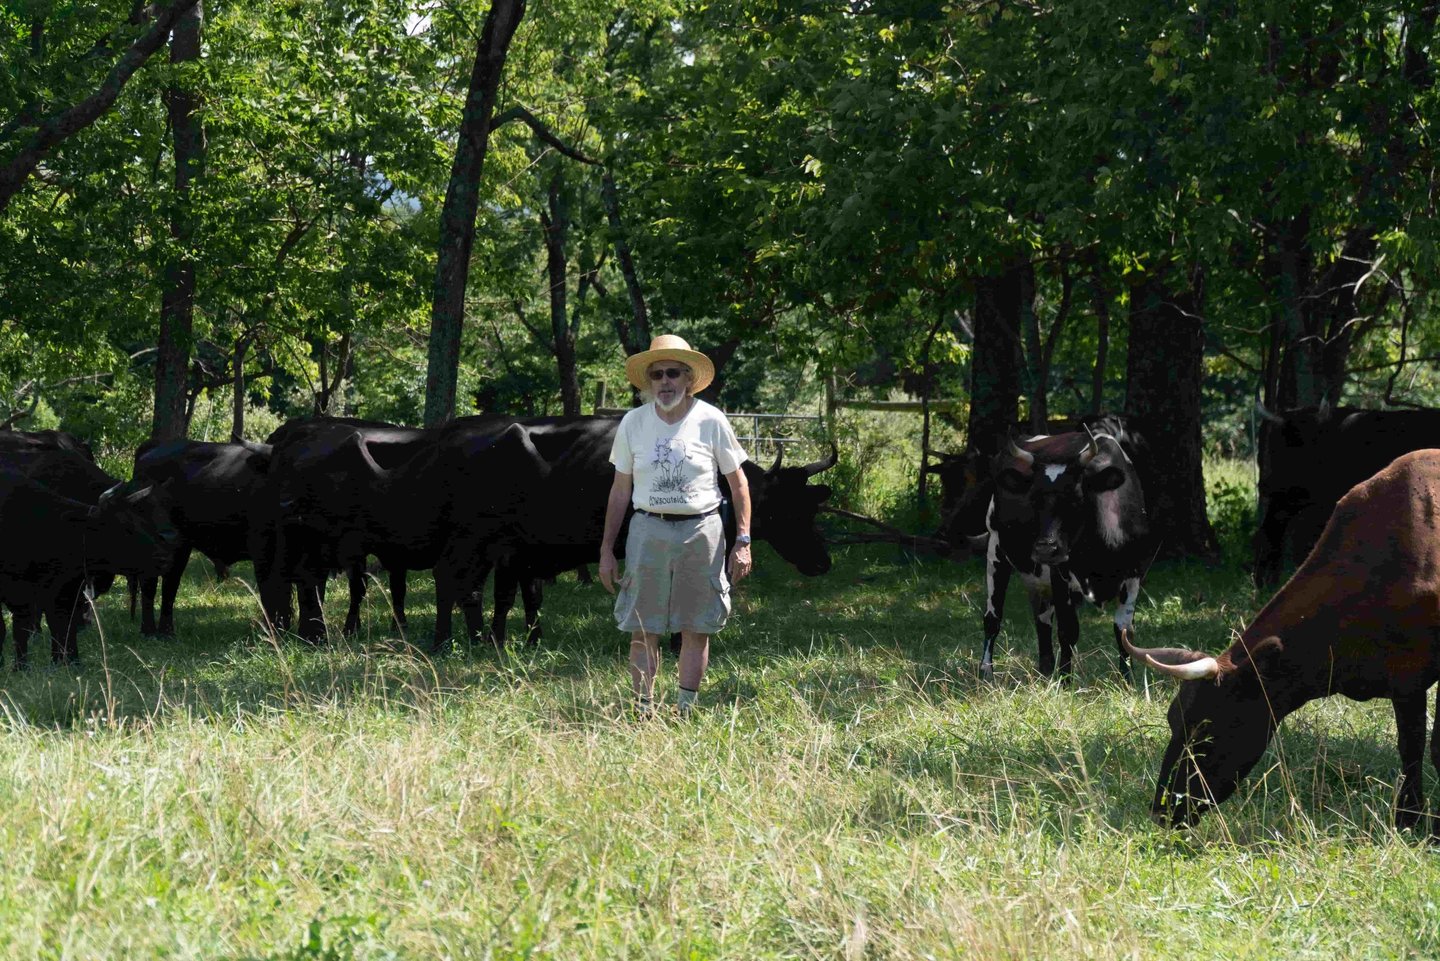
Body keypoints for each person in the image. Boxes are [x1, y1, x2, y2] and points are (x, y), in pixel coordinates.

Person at [599, 335, 753, 718]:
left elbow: (738, 484)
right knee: (643, 627)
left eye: (673, 373)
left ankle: (685, 710)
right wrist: (606, 550)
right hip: (647, 531)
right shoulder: (633, 423)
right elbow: (620, 490)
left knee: (695, 626)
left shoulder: (711, 420)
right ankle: (643, 711)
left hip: (702, 532)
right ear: (648, 382)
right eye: (657, 375)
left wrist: (743, 540)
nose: (665, 381)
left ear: (688, 379)